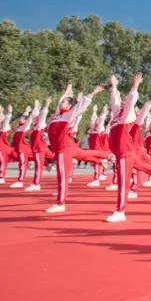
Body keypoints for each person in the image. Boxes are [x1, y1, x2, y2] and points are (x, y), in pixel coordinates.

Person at [105, 74, 151, 223]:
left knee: (123, 182)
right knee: (142, 166)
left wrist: (135, 86)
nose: (121, 103)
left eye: (124, 102)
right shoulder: (116, 115)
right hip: (124, 152)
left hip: (126, 152)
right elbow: (114, 100)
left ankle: (120, 211)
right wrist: (114, 85)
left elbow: (131, 101)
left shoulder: (128, 115)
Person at [45, 83, 109, 213]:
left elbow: (81, 106)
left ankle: (60, 203)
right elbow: (60, 101)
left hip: (64, 148)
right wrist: (68, 90)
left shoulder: (68, 115)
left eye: (64, 102)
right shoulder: (58, 114)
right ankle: (105, 157)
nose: (61, 103)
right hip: (63, 148)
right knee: (84, 155)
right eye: (62, 101)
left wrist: (94, 92)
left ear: (69, 106)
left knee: (63, 175)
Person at [8, 107, 34, 188]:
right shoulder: (19, 127)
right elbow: (25, 117)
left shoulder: (25, 127)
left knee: (22, 165)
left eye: (23, 119)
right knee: (21, 164)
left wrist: (32, 112)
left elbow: (29, 120)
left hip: (23, 149)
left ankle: (20, 181)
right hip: (19, 149)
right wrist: (26, 111)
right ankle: (32, 162)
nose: (20, 119)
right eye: (21, 118)